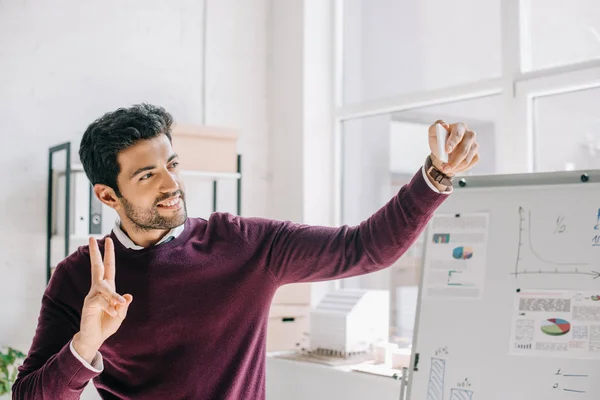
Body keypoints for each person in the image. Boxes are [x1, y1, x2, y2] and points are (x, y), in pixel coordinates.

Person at [13, 104, 479, 399]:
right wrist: (86, 343)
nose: (172, 184)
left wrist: (434, 178)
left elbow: (365, 248)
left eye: (171, 165)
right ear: (108, 196)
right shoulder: (79, 279)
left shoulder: (244, 244)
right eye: (146, 175)